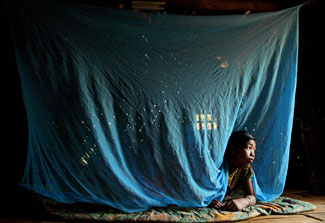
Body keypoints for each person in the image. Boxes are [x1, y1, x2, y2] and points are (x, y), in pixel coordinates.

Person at [209, 131, 257, 211]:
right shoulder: (216, 166)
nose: (253, 154)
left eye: (254, 149)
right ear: (232, 148)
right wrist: (207, 200)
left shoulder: (245, 168)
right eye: (249, 148)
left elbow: (252, 196)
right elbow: (196, 190)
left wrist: (245, 201)